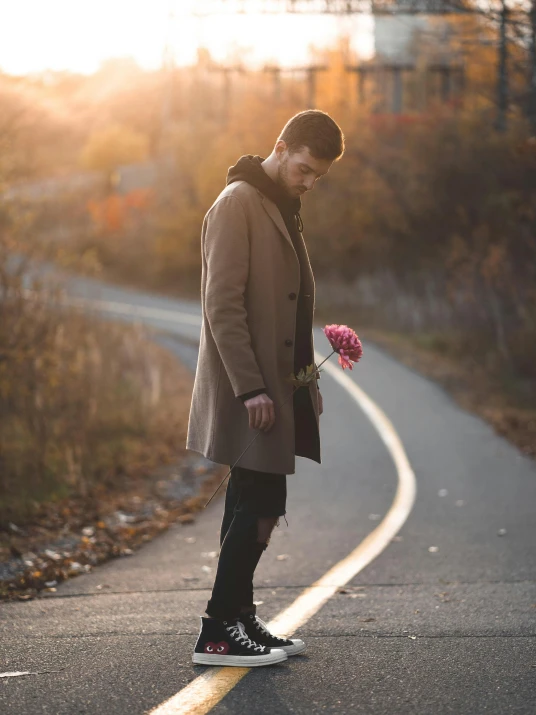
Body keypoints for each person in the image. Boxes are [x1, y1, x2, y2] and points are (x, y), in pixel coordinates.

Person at [187, 110, 345, 667]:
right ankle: (218, 629)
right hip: (250, 387)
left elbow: (288, 305)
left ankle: (237, 617)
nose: (308, 182)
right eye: (304, 169)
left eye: (317, 177)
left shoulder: (280, 203)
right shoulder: (237, 203)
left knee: (253, 499)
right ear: (281, 147)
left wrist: (306, 381)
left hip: (280, 384)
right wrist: (252, 389)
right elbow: (222, 305)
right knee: (259, 500)